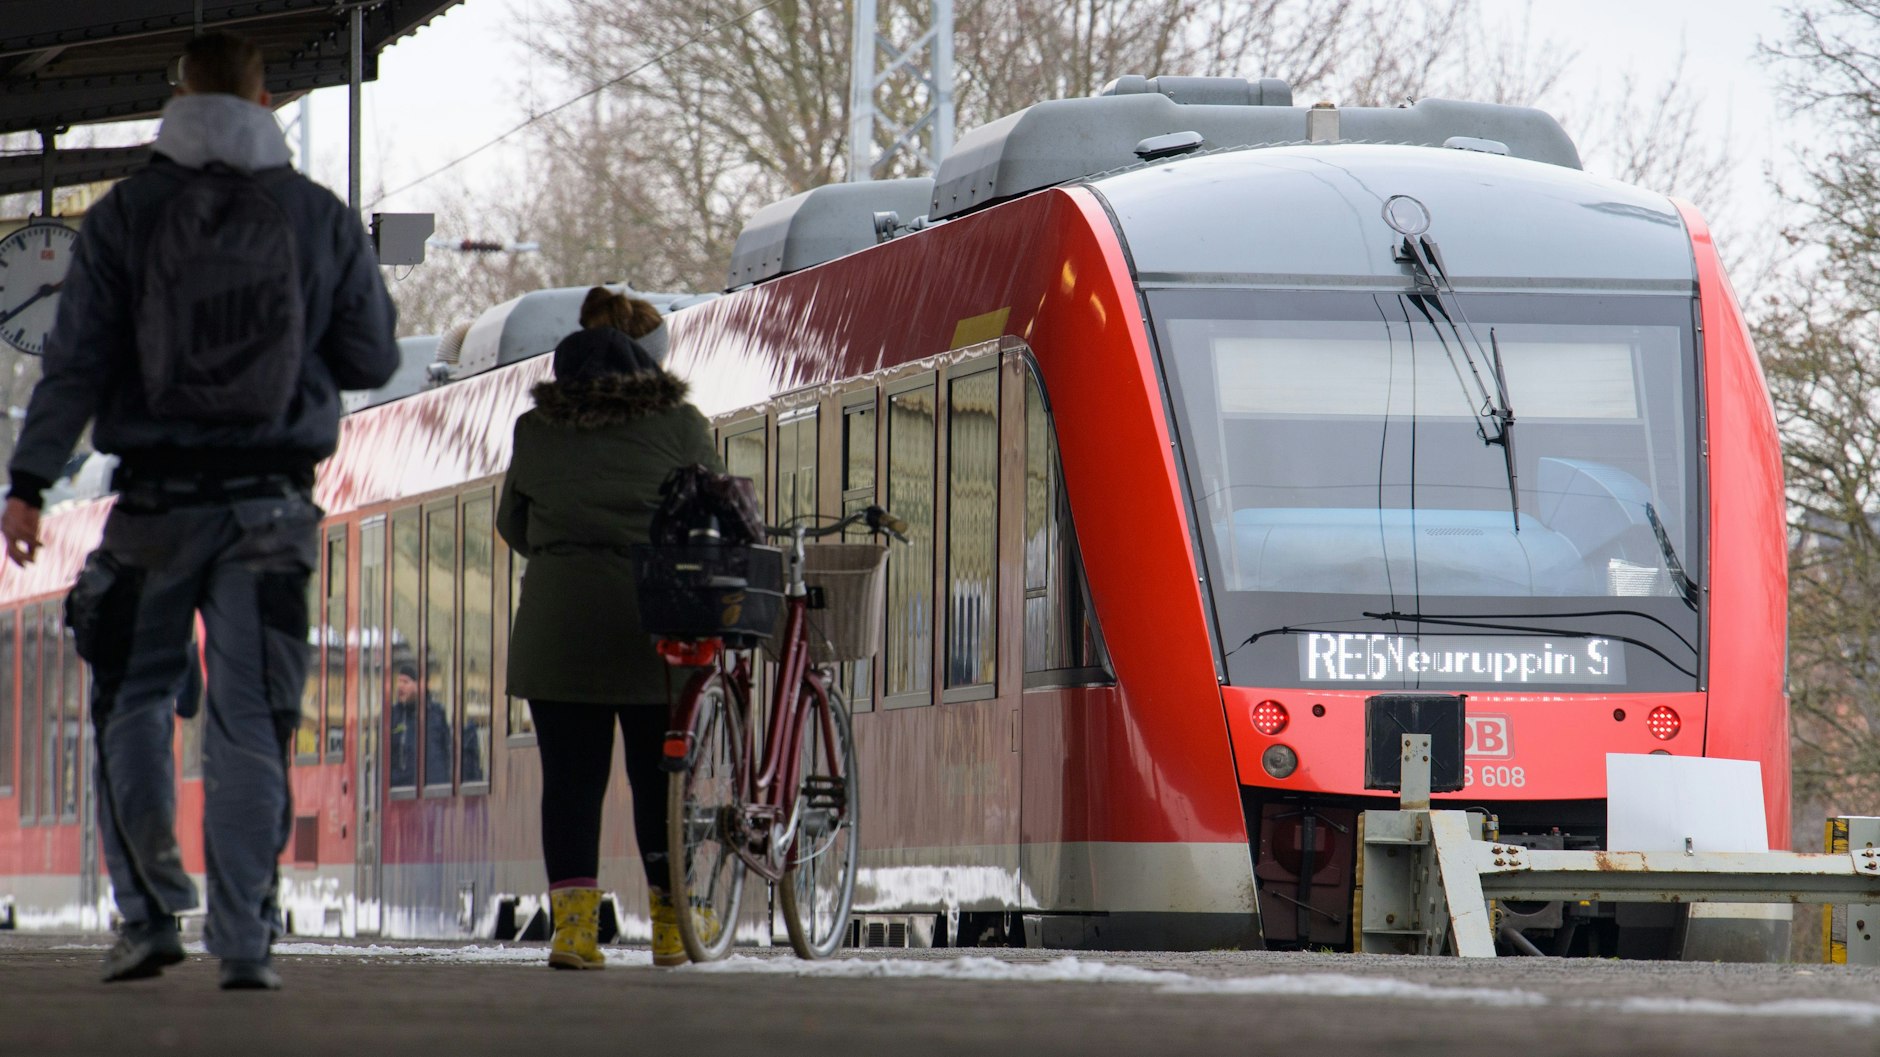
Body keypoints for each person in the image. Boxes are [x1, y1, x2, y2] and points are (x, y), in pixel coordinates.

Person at [1, 31, 398, 991]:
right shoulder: (316, 216)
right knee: (250, 720)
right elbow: (374, 360)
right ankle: (245, 939)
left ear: (177, 97)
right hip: (269, 510)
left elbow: (76, 363)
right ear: (263, 98)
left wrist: (28, 482)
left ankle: (146, 916)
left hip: (152, 507)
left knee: (132, 702)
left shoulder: (126, 215)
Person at [497, 291, 718, 970]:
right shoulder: (681, 424)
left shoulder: (536, 430)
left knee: (570, 778)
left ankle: (572, 932)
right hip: (654, 620)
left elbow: (514, 525)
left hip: (558, 623)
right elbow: (707, 511)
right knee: (660, 778)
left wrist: (567, 549)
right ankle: (670, 925)